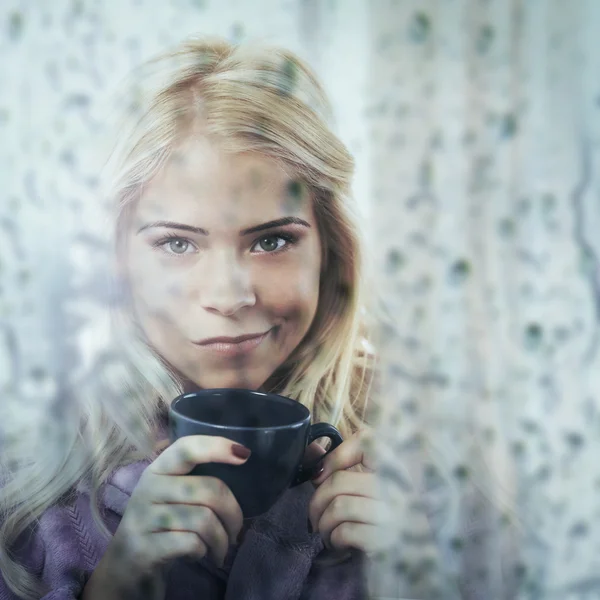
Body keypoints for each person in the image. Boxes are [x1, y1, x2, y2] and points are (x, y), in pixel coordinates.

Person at [0, 36, 383, 600]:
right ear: (115, 262)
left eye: (272, 240)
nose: (229, 296)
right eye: (178, 244)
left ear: (332, 254)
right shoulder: (30, 488)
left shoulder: (419, 457)